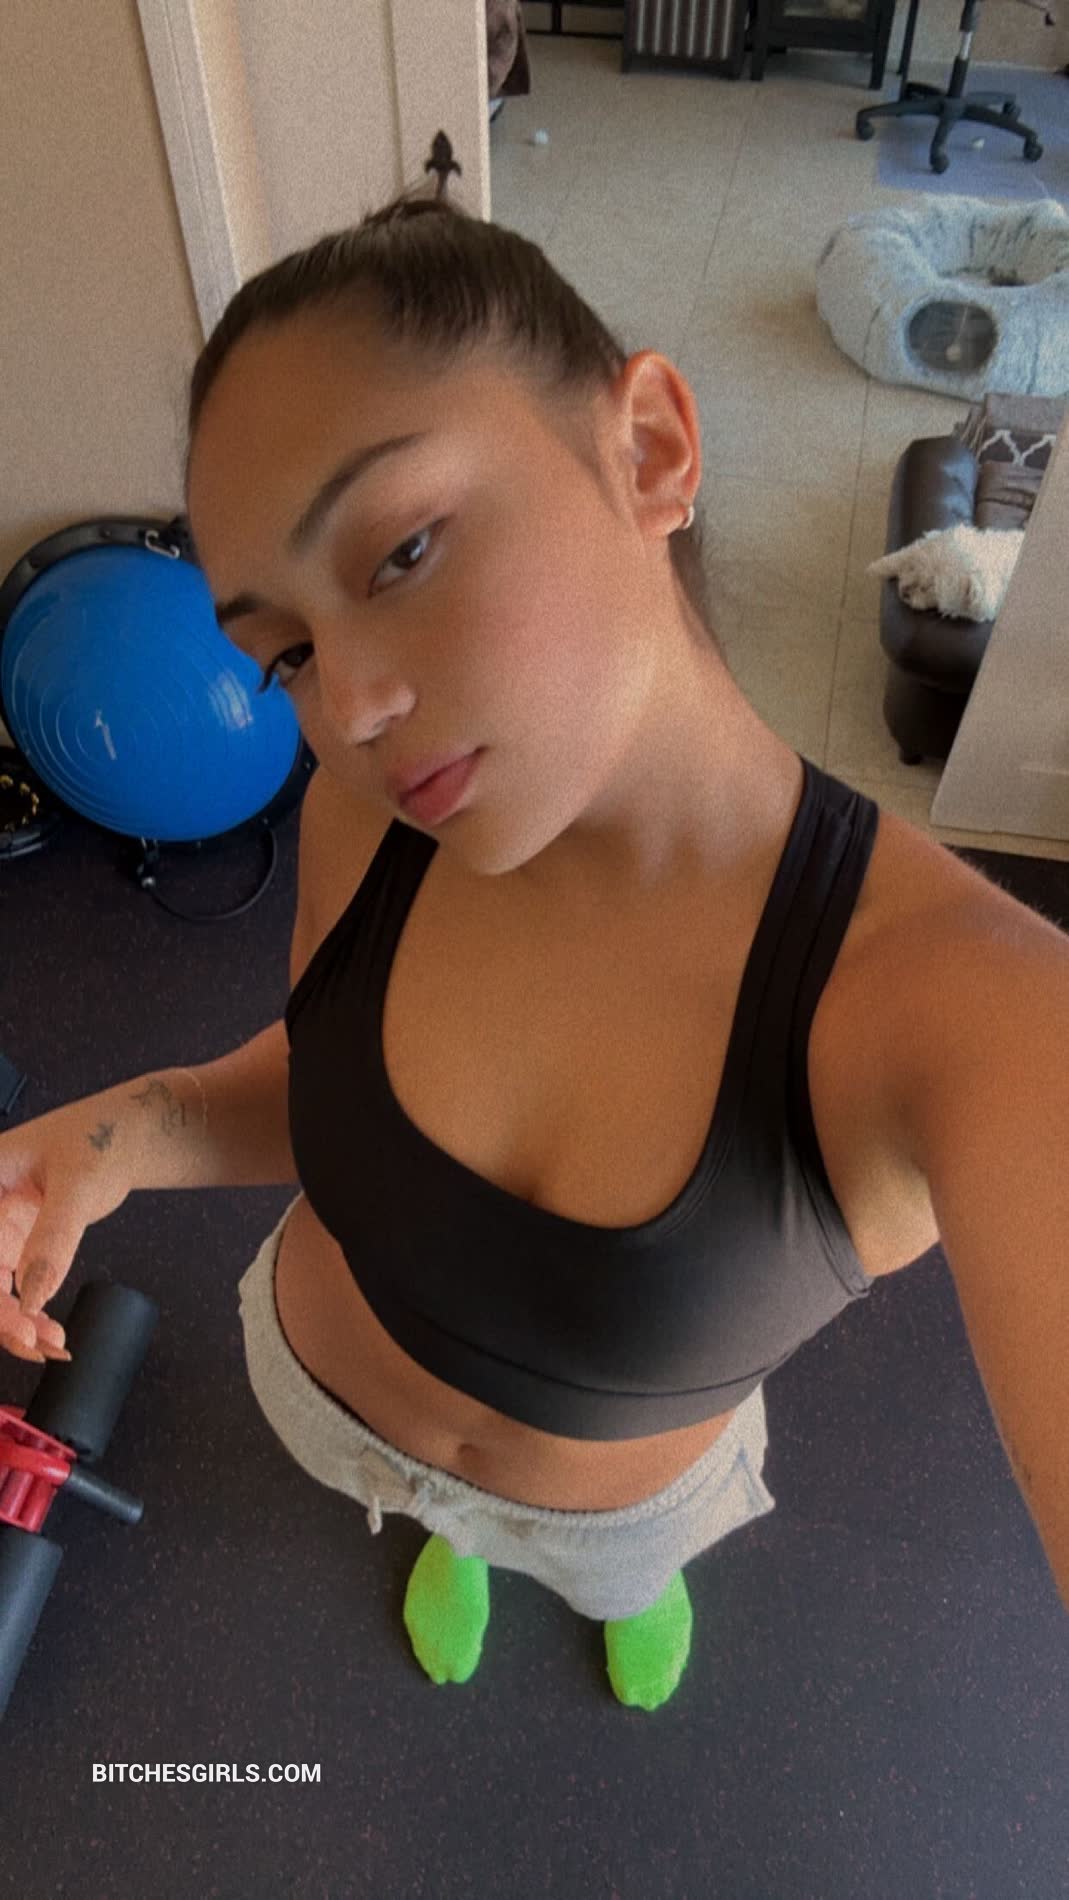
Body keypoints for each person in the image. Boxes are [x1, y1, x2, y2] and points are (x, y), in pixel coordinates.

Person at [0, 184, 1058, 1712]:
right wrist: (112, 1137)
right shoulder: (368, 815)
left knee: (616, 1573)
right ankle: (454, 1538)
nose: (349, 706)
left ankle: (619, 1581)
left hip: (615, 1508)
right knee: (437, 1515)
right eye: (284, 652)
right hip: (331, 1409)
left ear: (650, 449)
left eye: (401, 551)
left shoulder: (961, 1009)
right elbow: (327, 1079)